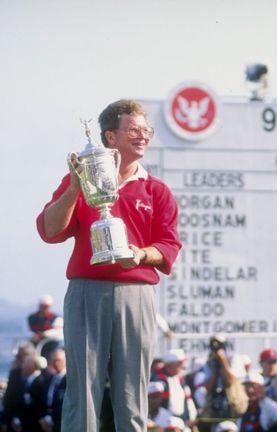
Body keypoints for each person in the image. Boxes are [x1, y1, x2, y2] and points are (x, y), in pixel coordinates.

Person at [36, 99, 182, 431]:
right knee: (82, 388)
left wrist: (142, 254)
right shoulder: (82, 179)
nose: (142, 136)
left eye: (146, 130)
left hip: (138, 293)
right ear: (110, 137)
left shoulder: (156, 190)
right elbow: (49, 229)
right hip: (88, 291)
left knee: (132, 393)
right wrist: (75, 188)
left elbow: (169, 245)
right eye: (134, 129)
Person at [154, 349, 198, 430]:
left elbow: (188, 401)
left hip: (183, 425)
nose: (183, 366)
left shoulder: (181, 380)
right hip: (166, 426)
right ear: (170, 364)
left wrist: (192, 418)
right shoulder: (159, 381)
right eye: (180, 363)